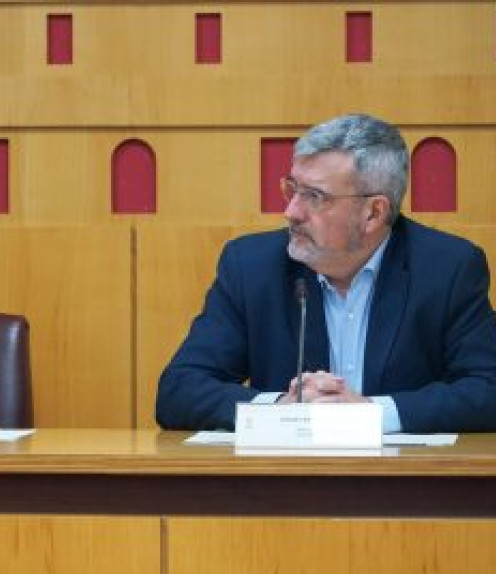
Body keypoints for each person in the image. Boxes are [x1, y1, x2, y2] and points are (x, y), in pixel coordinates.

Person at [156, 113, 496, 433]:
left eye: (314, 196)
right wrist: (282, 409)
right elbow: (179, 391)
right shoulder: (252, 266)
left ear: (373, 213)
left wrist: (370, 413)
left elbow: (487, 389)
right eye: (293, 189)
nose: (291, 211)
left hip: (404, 488)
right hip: (287, 488)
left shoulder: (447, 268)